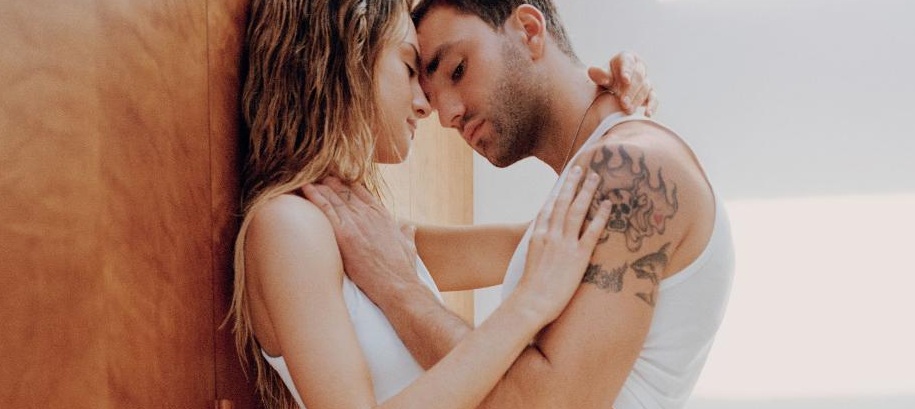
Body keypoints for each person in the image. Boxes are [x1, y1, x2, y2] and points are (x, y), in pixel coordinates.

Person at [304, 1, 736, 408]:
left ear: (529, 30)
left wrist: (400, 291)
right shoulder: (598, 184)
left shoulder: (629, 169)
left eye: (457, 70)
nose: (448, 114)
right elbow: (388, 248)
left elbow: (543, 403)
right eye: (434, 100)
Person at [227, 0, 654, 408]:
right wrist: (526, 307)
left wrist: (611, 114)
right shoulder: (287, 226)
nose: (426, 106)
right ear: (347, 55)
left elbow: (567, 240)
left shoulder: (366, 234)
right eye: (409, 68)